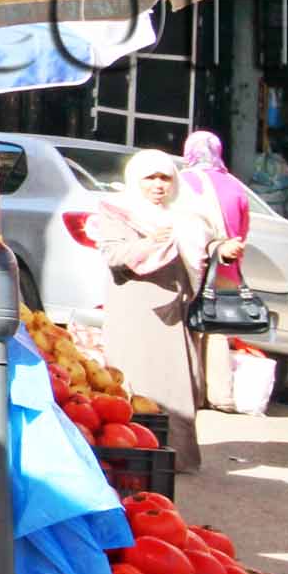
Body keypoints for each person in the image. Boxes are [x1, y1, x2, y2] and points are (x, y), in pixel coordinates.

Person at [90, 148, 222, 472]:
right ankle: (131, 454)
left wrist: (223, 249)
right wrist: (150, 244)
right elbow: (113, 255)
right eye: (151, 178)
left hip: (173, 311)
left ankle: (177, 457)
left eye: (165, 177)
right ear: (137, 180)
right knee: (132, 382)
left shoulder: (187, 216)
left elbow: (203, 247)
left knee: (176, 384)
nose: (159, 185)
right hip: (134, 310)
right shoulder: (117, 212)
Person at [179, 130, 253, 410]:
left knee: (192, 326)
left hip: (194, 265)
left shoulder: (184, 182)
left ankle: (194, 393)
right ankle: (221, 395)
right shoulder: (235, 186)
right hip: (227, 267)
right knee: (218, 328)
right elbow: (244, 230)